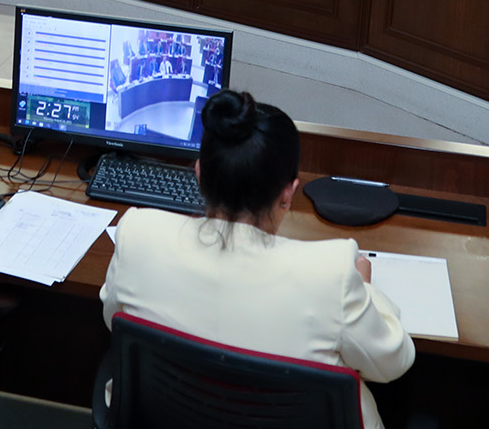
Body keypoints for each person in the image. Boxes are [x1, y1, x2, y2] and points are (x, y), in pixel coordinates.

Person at [101, 89, 413, 429]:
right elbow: (392, 362)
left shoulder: (138, 234)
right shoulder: (331, 273)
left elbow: (113, 320)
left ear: (199, 174)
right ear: (288, 194)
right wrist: (364, 288)